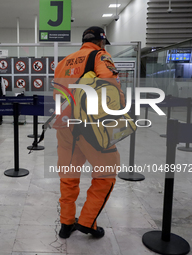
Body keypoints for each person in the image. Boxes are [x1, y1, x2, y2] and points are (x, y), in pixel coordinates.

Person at [54, 26, 125, 239]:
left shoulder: (63, 62)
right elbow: (110, 88)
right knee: (106, 175)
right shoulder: (100, 56)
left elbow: (58, 93)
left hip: (65, 126)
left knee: (68, 176)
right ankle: (87, 222)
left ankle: (66, 224)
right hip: (91, 128)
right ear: (101, 42)